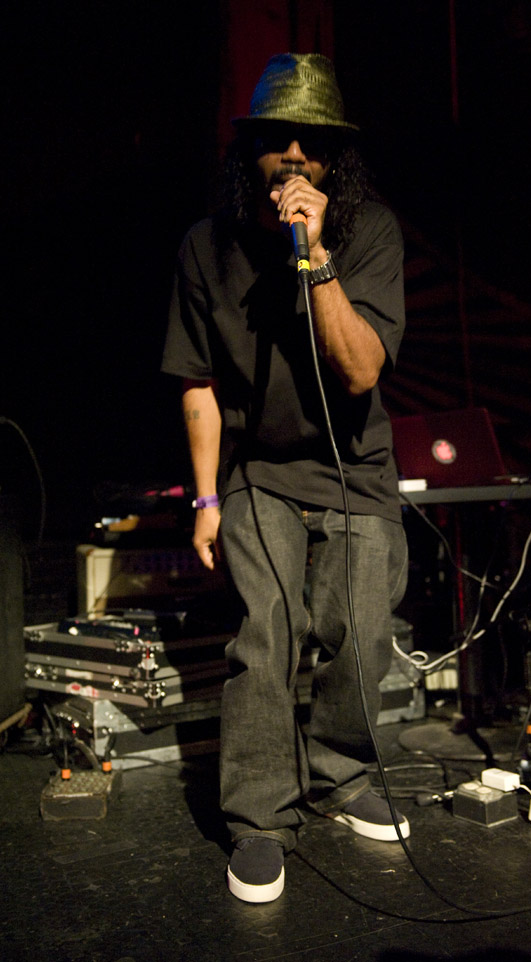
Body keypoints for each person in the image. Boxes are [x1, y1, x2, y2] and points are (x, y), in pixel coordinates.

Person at [161, 52, 409, 903]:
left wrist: (317, 256)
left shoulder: (370, 233)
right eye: (277, 140)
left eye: (313, 143)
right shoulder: (207, 247)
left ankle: (341, 777)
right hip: (258, 472)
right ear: (250, 151)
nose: (294, 157)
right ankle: (260, 818)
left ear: (335, 159)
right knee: (265, 637)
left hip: (355, 471)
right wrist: (204, 498)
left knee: (360, 635)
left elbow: (361, 370)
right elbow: (197, 381)